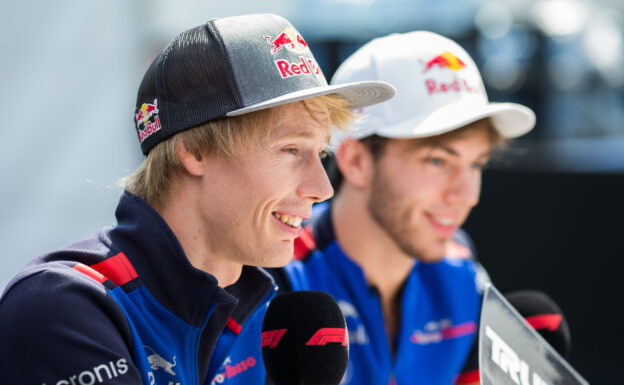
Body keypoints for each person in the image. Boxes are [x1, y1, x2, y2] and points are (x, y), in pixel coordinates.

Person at [0, 14, 394, 385]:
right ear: (194, 151)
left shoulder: (270, 311)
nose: (323, 188)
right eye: (290, 150)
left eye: (320, 154)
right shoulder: (64, 307)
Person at [217, 31, 534, 385]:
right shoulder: (269, 280)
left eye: (476, 164)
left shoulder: (462, 273)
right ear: (356, 162)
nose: (466, 194)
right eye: (437, 161)